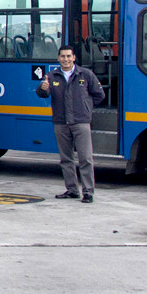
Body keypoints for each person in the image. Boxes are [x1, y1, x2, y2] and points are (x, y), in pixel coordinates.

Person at [38, 45, 104, 203]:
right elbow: (42, 93)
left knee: (85, 158)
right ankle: (72, 189)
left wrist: (85, 108)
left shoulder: (86, 74)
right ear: (58, 58)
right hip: (61, 122)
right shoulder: (52, 76)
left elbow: (99, 95)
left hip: (81, 122)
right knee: (66, 158)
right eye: (62, 56)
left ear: (74, 57)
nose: (66, 59)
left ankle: (88, 191)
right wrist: (42, 88)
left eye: (69, 56)